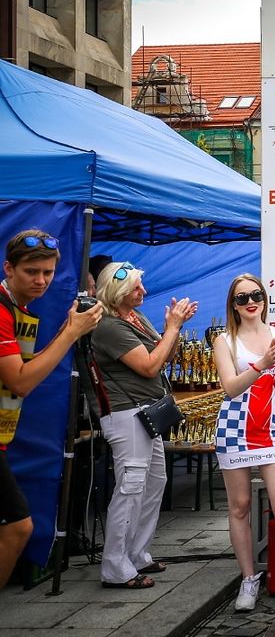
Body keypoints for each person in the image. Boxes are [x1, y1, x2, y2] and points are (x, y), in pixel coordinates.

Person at [0, 230, 103, 587]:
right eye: (32, 272)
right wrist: (70, 334)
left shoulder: (16, 308)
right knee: (18, 527)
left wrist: (67, 330)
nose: (41, 280)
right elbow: (21, 381)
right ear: (8, 268)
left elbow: (27, 368)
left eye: (48, 272)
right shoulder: (1, 310)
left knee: (17, 527)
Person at [92, 261, 196, 589]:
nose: (143, 291)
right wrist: (172, 328)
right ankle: (115, 566)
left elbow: (165, 356)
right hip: (126, 413)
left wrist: (172, 329)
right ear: (118, 291)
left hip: (145, 411)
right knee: (132, 487)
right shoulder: (109, 326)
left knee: (153, 483)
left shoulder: (134, 318)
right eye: (136, 287)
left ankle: (137, 554)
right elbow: (150, 366)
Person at [213, 274, 275, 610]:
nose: (250, 302)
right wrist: (262, 364)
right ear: (233, 306)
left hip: (270, 429)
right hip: (235, 429)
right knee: (239, 507)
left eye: (256, 295)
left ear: (264, 298)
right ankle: (249, 579)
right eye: (242, 298)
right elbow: (231, 388)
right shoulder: (225, 340)